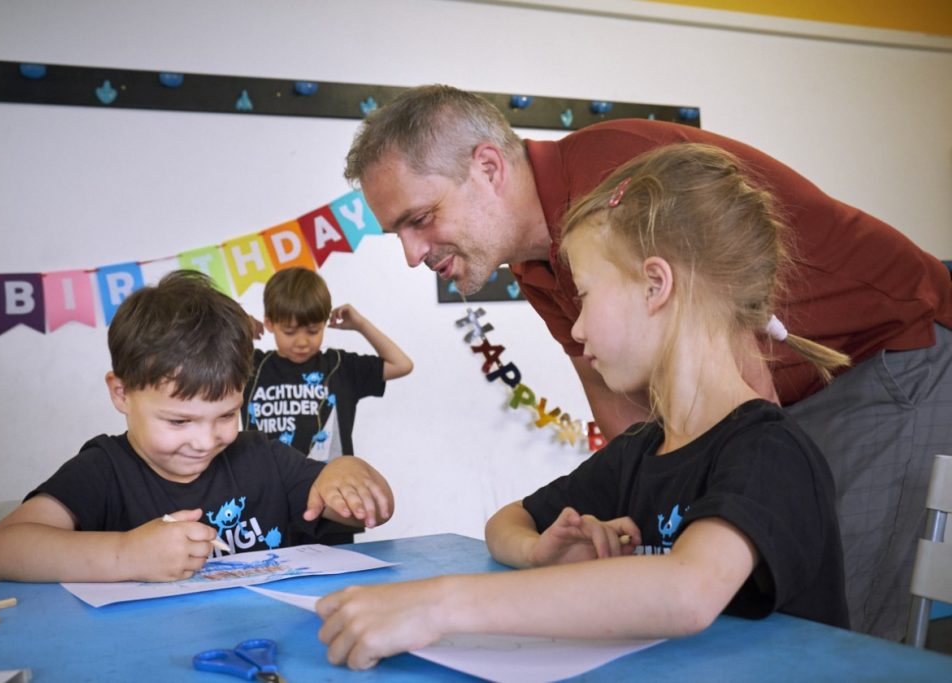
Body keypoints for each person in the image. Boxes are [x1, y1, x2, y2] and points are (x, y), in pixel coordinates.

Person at [343, 84, 952, 640]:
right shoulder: (536, 265)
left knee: (845, 624)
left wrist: (448, 606)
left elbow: (748, 399)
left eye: (419, 220)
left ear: (488, 167)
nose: (412, 253)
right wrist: (615, 512)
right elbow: (624, 420)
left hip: (888, 348)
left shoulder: (618, 181)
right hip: (795, 397)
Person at [317, 144, 849, 669]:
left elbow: (689, 589)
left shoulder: (769, 451)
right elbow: (509, 520)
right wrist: (539, 551)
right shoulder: (643, 450)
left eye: (587, 294)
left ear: (655, 286)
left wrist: (441, 605)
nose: (575, 327)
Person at [0, 270, 394, 583]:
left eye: (227, 415)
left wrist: (349, 478)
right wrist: (125, 555)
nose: (205, 440)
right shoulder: (104, 470)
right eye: (179, 420)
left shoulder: (262, 456)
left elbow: (355, 516)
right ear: (122, 393)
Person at [245, 266, 412, 545]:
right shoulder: (250, 366)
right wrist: (234, 327)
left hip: (331, 507)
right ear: (269, 323)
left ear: (325, 323)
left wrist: (360, 324)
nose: (301, 341)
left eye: (313, 330)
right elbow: (199, 360)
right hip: (266, 504)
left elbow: (401, 364)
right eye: (289, 331)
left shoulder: (339, 366)